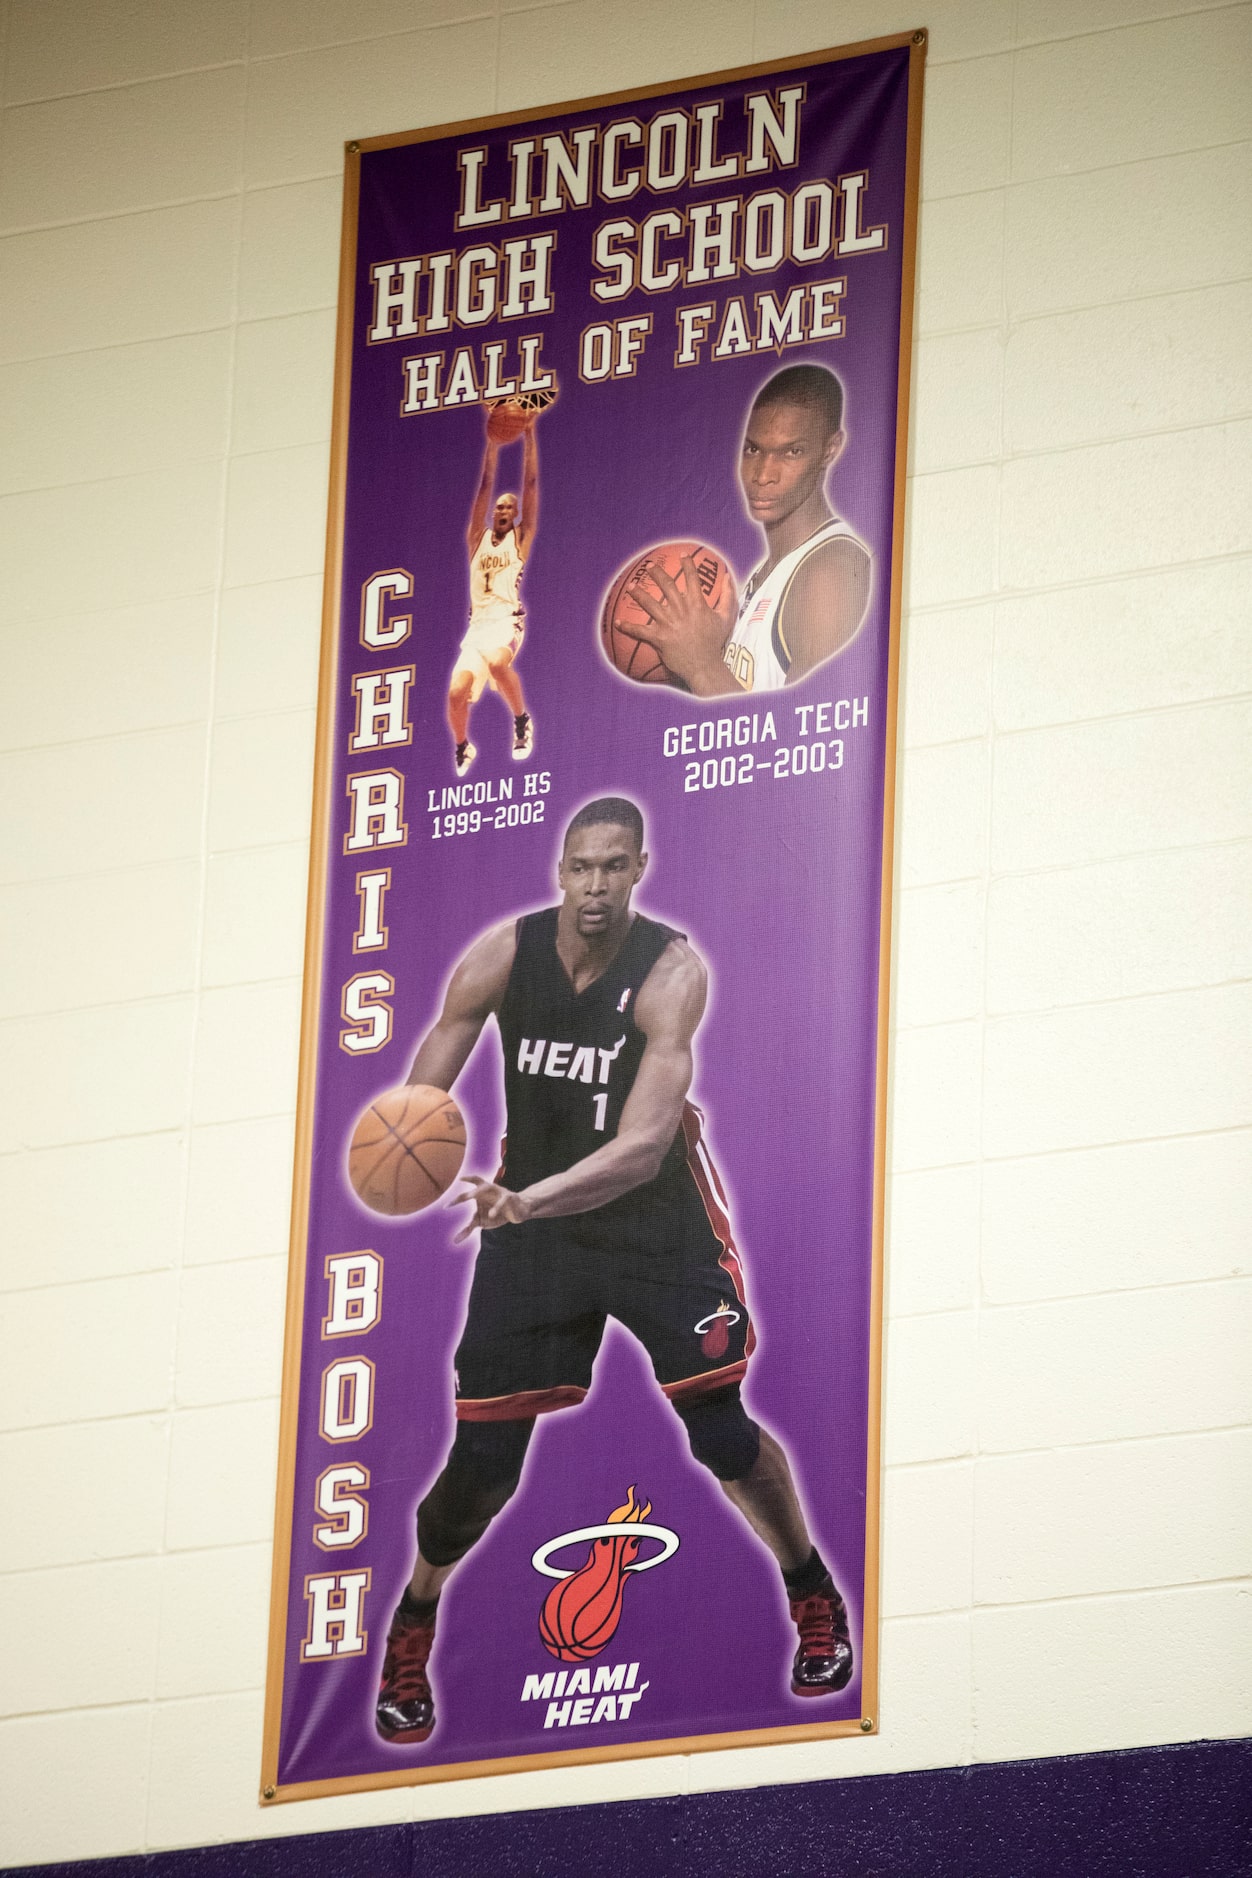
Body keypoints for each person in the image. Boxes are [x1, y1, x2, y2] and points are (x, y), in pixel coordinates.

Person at [375, 797, 853, 1745]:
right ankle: (413, 1621)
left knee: (719, 1429)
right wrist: (408, 1135)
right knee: (480, 1465)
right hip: (535, 1224)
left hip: (653, 1222)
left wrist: (527, 1201)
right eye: (581, 867)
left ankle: (810, 1588)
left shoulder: (672, 972)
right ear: (561, 869)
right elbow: (428, 1075)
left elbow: (640, 1148)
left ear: (640, 869)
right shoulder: (503, 954)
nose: (595, 886)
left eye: (613, 867)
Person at [625, 362, 871, 695]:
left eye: (791, 452)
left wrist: (701, 665)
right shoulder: (761, 577)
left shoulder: (830, 569)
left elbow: (808, 728)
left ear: (830, 450)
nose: (763, 474)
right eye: (753, 449)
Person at [447, 404, 540, 773]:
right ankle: (462, 746)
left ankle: (521, 721)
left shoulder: (520, 540)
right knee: (456, 694)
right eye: (499, 507)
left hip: (506, 621)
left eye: (508, 507)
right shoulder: (476, 539)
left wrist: (529, 434)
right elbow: (486, 485)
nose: (502, 510)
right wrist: (492, 446)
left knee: (500, 665)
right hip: (477, 627)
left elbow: (530, 486)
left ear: (514, 515)